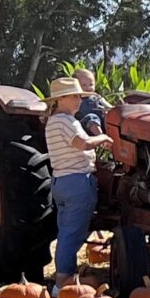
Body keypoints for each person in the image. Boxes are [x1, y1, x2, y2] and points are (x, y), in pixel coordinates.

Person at [43, 78, 101, 284]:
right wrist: (104, 139)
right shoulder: (65, 121)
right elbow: (82, 144)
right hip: (76, 181)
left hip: (61, 181)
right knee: (72, 233)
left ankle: (63, 278)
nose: (79, 100)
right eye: (75, 96)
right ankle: (63, 281)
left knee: (67, 229)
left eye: (80, 96)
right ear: (61, 99)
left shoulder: (54, 121)